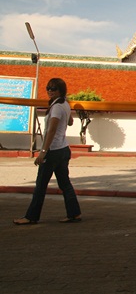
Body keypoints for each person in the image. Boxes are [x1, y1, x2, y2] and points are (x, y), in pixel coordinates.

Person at [13, 78, 82, 225]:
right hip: (63, 149)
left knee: (41, 186)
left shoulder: (57, 107)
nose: (50, 91)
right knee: (65, 184)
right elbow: (70, 122)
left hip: (53, 150)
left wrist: (43, 151)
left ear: (60, 91)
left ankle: (31, 216)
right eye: (48, 88)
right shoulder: (64, 104)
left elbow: (51, 130)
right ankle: (74, 213)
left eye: (54, 88)